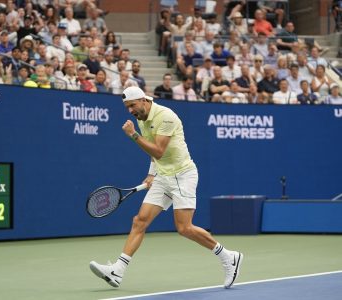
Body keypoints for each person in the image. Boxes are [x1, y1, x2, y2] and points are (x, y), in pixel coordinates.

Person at [89, 86, 243, 289]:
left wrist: (133, 135)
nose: (130, 111)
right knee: (139, 221)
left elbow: (159, 150)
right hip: (163, 176)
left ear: (143, 100)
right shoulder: (141, 118)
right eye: (127, 107)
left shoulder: (166, 116)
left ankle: (228, 256)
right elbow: (153, 153)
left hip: (182, 175)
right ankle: (118, 270)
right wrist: (152, 173)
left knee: (184, 228)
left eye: (132, 105)